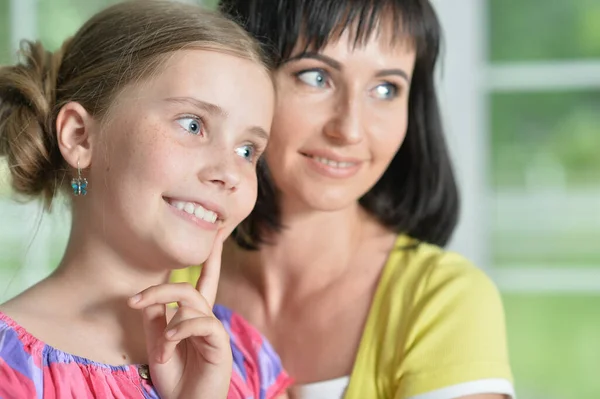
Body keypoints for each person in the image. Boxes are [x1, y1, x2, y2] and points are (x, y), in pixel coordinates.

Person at [172, 0, 515, 398]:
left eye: (385, 89)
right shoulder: (159, 279)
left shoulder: (443, 299)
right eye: (316, 77)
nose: (349, 129)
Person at [0, 1, 291, 398]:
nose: (229, 173)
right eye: (193, 125)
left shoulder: (246, 358)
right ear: (79, 137)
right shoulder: (9, 372)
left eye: (247, 151)